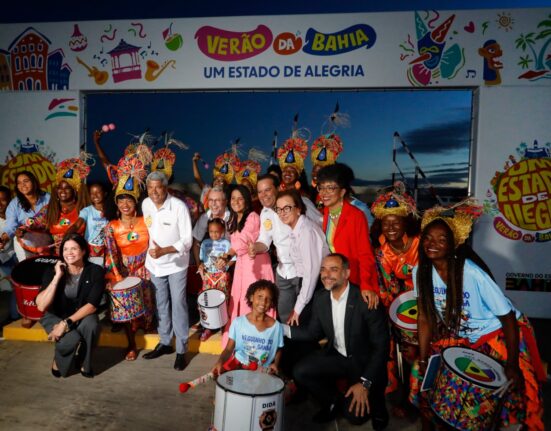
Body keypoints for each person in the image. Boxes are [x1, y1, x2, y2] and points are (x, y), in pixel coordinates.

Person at [412, 202, 545, 431]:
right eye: (428, 238)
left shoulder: (472, 273)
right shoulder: (420, 272)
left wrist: (512, 363)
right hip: (461, 335)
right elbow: (424, 318)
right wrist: (424, 359)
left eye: (442, 239)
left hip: (496, 334)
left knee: (507, 390)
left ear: (454, 244)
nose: (432, 244)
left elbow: (507, 318)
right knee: (423, 376)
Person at [284, 254, 390, 428]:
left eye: (334, 269)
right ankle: (332, 400)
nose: (326, 274)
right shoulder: (321, 298)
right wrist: (280, 329)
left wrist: (365, 382)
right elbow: (313, 333)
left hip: (363, 362)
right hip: (337, 355)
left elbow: (381, 347)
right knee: (301, 371)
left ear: (346, 273)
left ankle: (378, 406)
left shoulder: (366, 300)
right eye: (323, 269)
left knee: (354, 417)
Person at [371, 184, 420, 416]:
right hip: (402, 307)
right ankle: (402, 394)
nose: (390, 228)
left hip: (428, 304)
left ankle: (420, 400)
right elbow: (387, 288)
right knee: (397, 346)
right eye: (385, 223)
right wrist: (396, 323)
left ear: (406, 223)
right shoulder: (383, 252)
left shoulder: (421, 244)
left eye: (396, 222)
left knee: (421, 352)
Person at [103, 156, 155, 361]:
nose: (125, 204)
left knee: (147, 305)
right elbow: (110, 254)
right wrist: (116, 277)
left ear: (136, 201)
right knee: (126, 307)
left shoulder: (146, 221)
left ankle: (147, 325)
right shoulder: (112, 226)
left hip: (146, 268)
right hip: (123, 271)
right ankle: (131, 345)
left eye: (129, 199)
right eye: (121, 200)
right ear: (116, 203)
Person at [141, 171, 193, 371]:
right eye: (150, 187)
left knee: (178, 304)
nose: (154, 192)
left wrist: (164, 250)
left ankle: (181, 350)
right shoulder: (146, 204)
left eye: (158, 187)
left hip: (176, 264)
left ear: (166, 188)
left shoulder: (178, 207)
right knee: (161, 303)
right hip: (155, 264)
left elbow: (187, 241)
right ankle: (165, 342)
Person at [35, 233, 105, 378]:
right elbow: (41, 306)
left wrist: (65, 324)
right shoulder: (53, 271)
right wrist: (57, 277)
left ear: (83, 251)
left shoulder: (95, 271)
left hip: (81, 313)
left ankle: (84, 362)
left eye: (74, 248)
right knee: (70, 339)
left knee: (92, 325)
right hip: (55, 314)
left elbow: (92, 305)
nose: (69, 253)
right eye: (65, 249)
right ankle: (59, 360)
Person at [316, 163, 380, 309]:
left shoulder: (356, 215)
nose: (324, 193)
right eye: (322, 187)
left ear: (342, 191)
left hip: (354, 278)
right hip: (334, 279)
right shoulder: (326, 213)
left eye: (330, 188)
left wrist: (366, 284)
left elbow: (365, 254)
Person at [220, 185, 275, 346]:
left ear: (247, 200)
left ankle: (254, 343)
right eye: (233, 198)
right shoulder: (233, 219)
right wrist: (226, 258)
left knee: (252, 301)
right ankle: (239, 342)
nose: (236, 201)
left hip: (256, 264)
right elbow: (236, 245)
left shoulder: (252, 217)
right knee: (238, 299)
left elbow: (244, 241)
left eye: (240, 198)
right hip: (242, 265)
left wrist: (227, 255)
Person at [274, 189, 328, 325]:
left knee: (305, 327)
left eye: (287, 208)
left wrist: (298, 308)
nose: (282, 213)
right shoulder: (297, 228)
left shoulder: (306, 232)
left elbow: (311, 273)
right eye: (278, 209)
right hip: (308, 285)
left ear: (298, 209)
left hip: (316, 286)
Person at [212, 279, 283, 375]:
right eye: (260, 296)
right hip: (239, 368)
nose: (263, 302)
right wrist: (220, 361)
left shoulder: (276, 327)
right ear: (251, 297)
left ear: (271, 303)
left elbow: (278, 349)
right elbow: (229, 349)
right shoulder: (238, 322)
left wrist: (275, 364)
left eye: (268, 299)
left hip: (263, 373)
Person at [30, 156, 91, 255]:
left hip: (80, 254)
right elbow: (34, 221)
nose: (62, 191)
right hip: (57, 255)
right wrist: (25, 227)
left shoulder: (84, 209)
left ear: (74, 191)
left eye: (67, 188)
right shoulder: (49, 209)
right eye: (60, 188)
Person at [1, 171, 50, 262]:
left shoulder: (48, 198)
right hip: (28, 241)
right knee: (19, 239)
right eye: (19, 183)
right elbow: (10, 227)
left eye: (26, 181)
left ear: (34, 182)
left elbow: (59, 218)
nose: (22, 185)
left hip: (50, 237)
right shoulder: (14, 204)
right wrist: (3, 239)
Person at [197, 218, 231, 341]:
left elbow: (233, 259)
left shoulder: (227, 244)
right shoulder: (205, 243)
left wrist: (226, 266)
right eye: (211, 231)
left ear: (222, 231)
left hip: (222, 276)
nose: (214, 234)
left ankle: (224, 324)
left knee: (223, 299)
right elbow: (202, 260)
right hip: (208, 276)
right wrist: (201, 266)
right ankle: (208, 327)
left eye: (217, 232)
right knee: (208, 301)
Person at [65, 182, 109, 262]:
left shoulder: (111, 210)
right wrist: (67, 234)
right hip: (90, 249)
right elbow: (77, 225)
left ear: (105, 193)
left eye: (98, 192)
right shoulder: (87, 211)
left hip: (107, 248)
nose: (95, 195)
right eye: (92, 193)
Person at [191, 187, 231, 266]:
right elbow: (196, 243)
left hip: (230, 263)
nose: (213, 204)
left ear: (225, 202)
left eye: (217, 200)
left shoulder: (232, 218)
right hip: (210, 266)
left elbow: (237, 247)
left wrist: (226, 267)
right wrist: (199, 265)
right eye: (211, 200)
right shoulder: (205, 218)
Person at [0, 186, 18, 320]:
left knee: (18, 287)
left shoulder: (15, 216)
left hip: (15, 257)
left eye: (3, 200)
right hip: (3, 260)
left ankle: (15, 318)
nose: (0, 204)